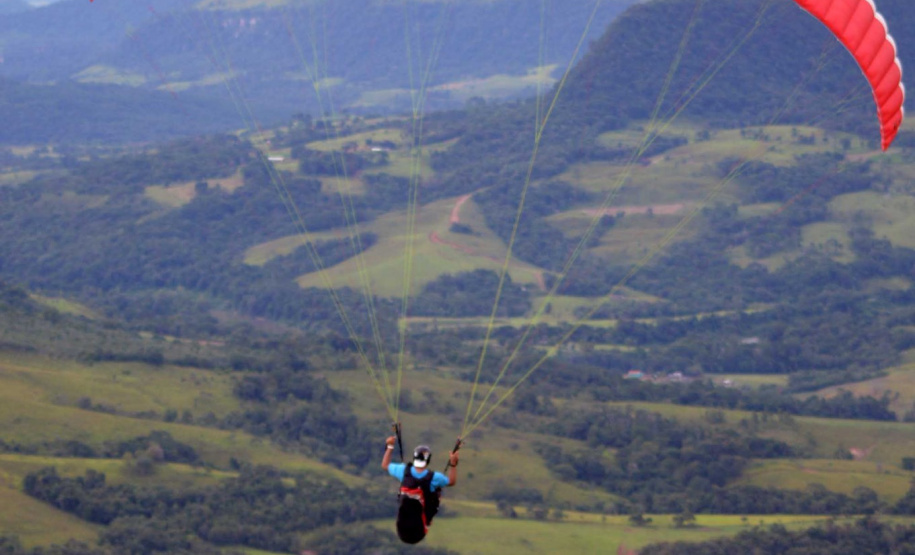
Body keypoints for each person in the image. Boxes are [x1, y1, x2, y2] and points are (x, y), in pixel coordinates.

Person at [382, 436, 459, 544]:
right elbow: (451, 481)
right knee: (434, 496)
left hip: (402, 530)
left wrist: (390, 446)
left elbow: (385, 465)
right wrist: (453, 464)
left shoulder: (403, 471)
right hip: (419, 532)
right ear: (428, 460)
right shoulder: (435, 478)